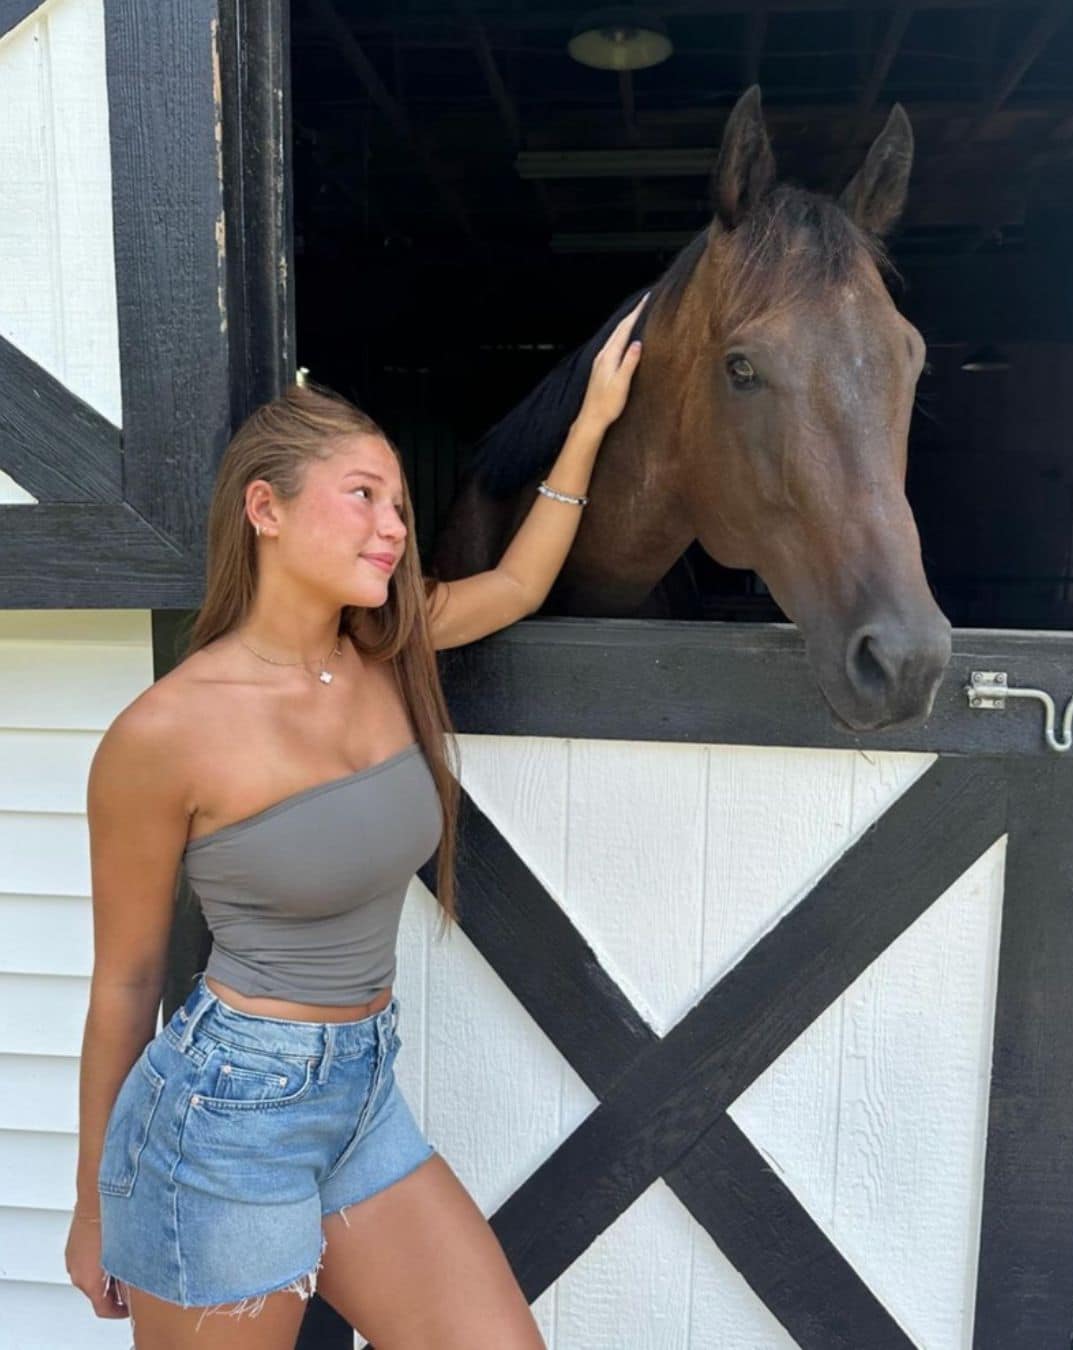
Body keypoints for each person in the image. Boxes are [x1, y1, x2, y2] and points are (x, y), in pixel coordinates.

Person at [64, 296, 645, 1348]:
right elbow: (126, 983)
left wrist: (593, 420)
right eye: (364, 497)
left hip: (362, 1096)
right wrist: (95, 1201)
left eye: (401, 510)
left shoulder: (387, 648)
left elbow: (517, 583)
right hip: (221, 1124)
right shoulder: (165, 734)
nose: (392, 525)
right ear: (266, 510)